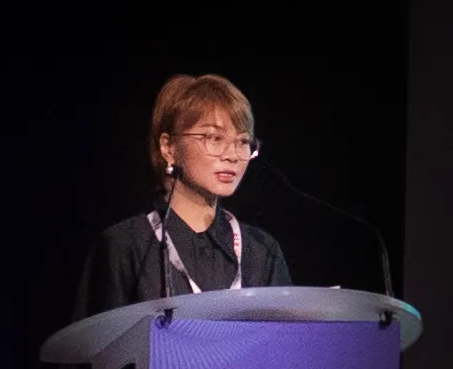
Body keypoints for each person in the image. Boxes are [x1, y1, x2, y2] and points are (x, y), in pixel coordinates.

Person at [77, 72, 295, 313]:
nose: (232, 155)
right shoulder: (126, 246)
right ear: (168, 147)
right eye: (214, 138)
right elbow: (99, 335)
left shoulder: (262, 251)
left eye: (243, 142)